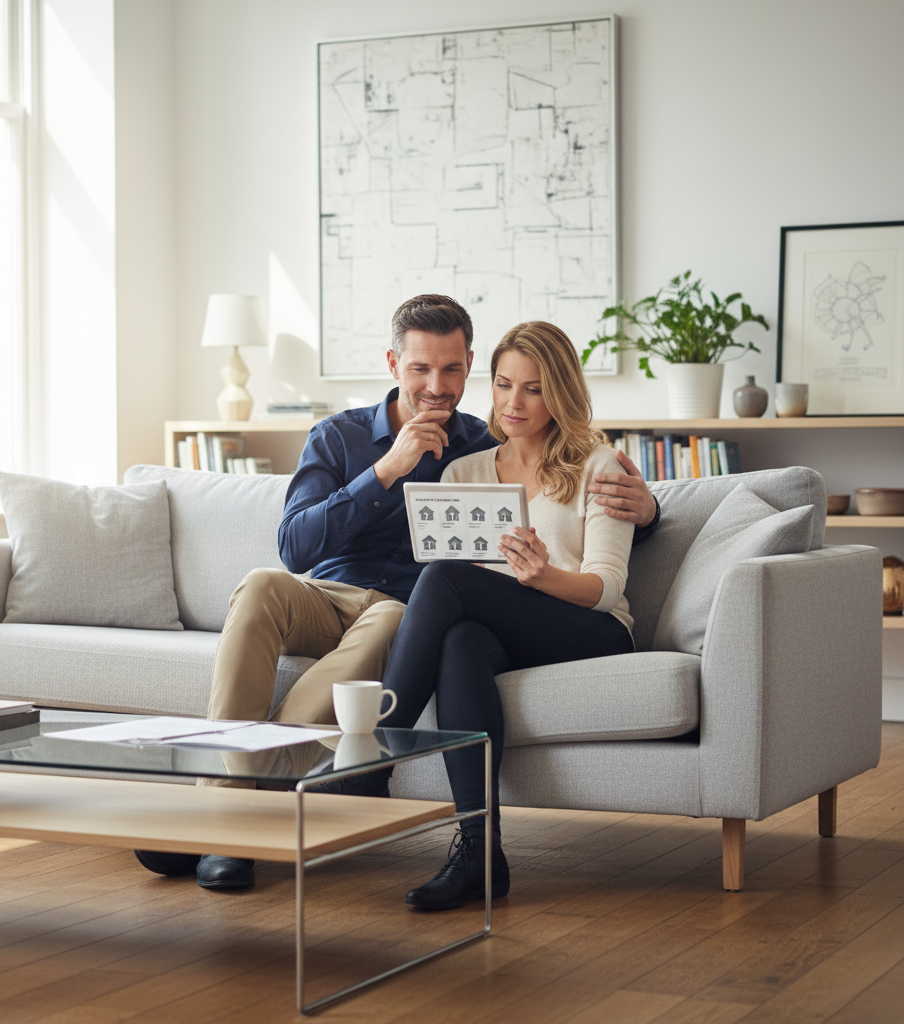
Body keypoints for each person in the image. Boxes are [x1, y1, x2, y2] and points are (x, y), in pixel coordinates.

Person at [135, 298, 657, 892]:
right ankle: (241, 803)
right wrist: (387, 468)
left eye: (453, 370)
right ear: (393, 364)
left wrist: (651, 509)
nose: (438, 386)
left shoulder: (485, 446)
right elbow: (294, 549)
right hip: (325, 593)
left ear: (467, 370)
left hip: (406, 612)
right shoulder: (348, 439)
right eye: (421, 370)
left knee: (423, 618)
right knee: (260, 587)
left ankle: (356, 767)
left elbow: (593, 546)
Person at [374, 320, 638, 910]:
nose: (513, 402)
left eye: (534, 388)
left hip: (591, 630)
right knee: (462, 640)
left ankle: (377, 748)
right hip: (501, 631)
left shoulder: (600, 467)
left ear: (561, 392)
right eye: (502, 384)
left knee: (442, 581)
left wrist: (542, 575)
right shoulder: (463, 472)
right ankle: (479, 853)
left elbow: (607, 588)